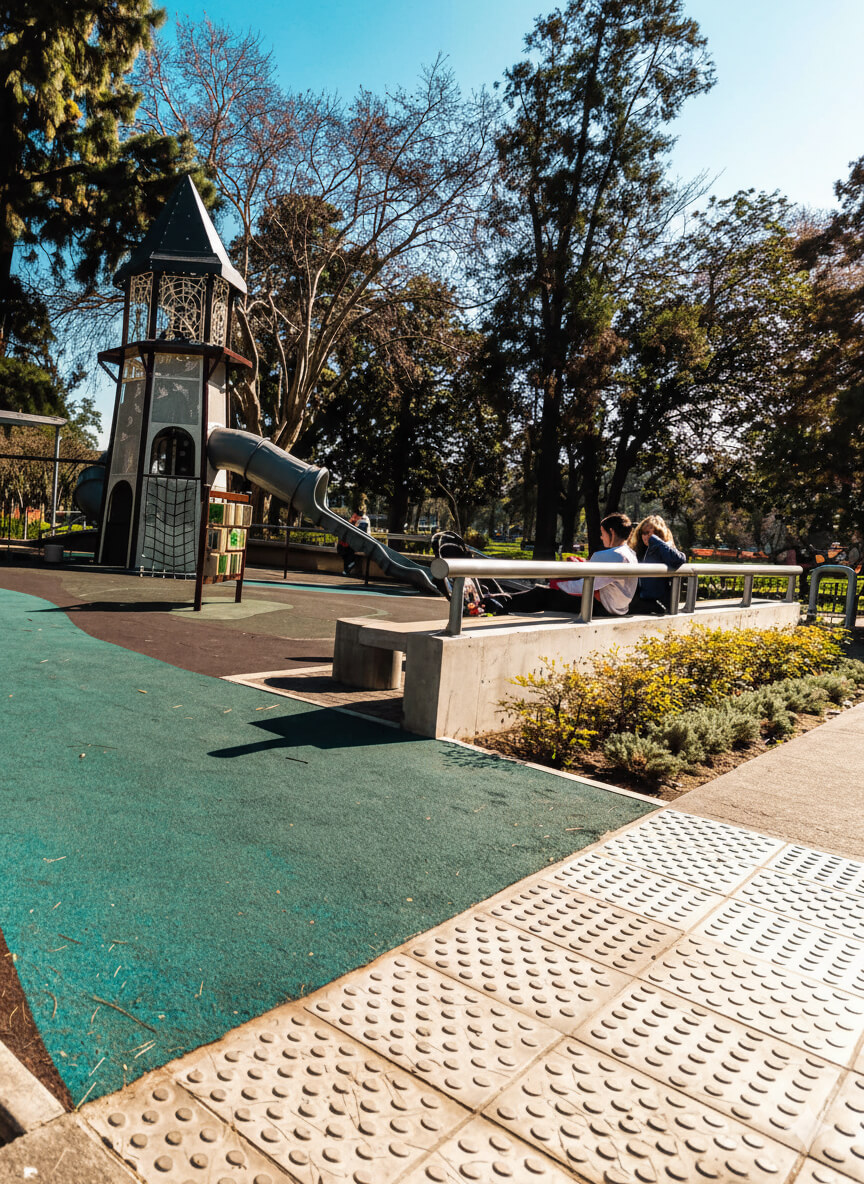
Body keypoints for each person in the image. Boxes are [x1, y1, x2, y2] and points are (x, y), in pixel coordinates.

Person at [483, 513, 638, 617]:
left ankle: (494, 604)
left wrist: (557, 584)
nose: (601, 537)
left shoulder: (609, 555)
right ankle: (496, 601)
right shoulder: (630, 554)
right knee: (544, 593)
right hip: (618, 608)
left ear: (611, 531)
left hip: (600, 608)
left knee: (543, 594)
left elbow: (584, 587)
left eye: (602, 533)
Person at [628, 515, 686, 615]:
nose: (645, 536)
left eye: (648, 533)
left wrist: (656, 540)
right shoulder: (639, 550)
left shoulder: (664, 548)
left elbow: (678, 559)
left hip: (661, 603)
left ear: (658, 533)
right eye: (643, 533)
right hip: (642, 601)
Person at [338, 503, 370, 576]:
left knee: (346, 552)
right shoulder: (363, 518)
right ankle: (348, 567)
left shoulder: (358, 518)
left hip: (353, 541)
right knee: (347, 551)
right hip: (356, 541)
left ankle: (347, 568)